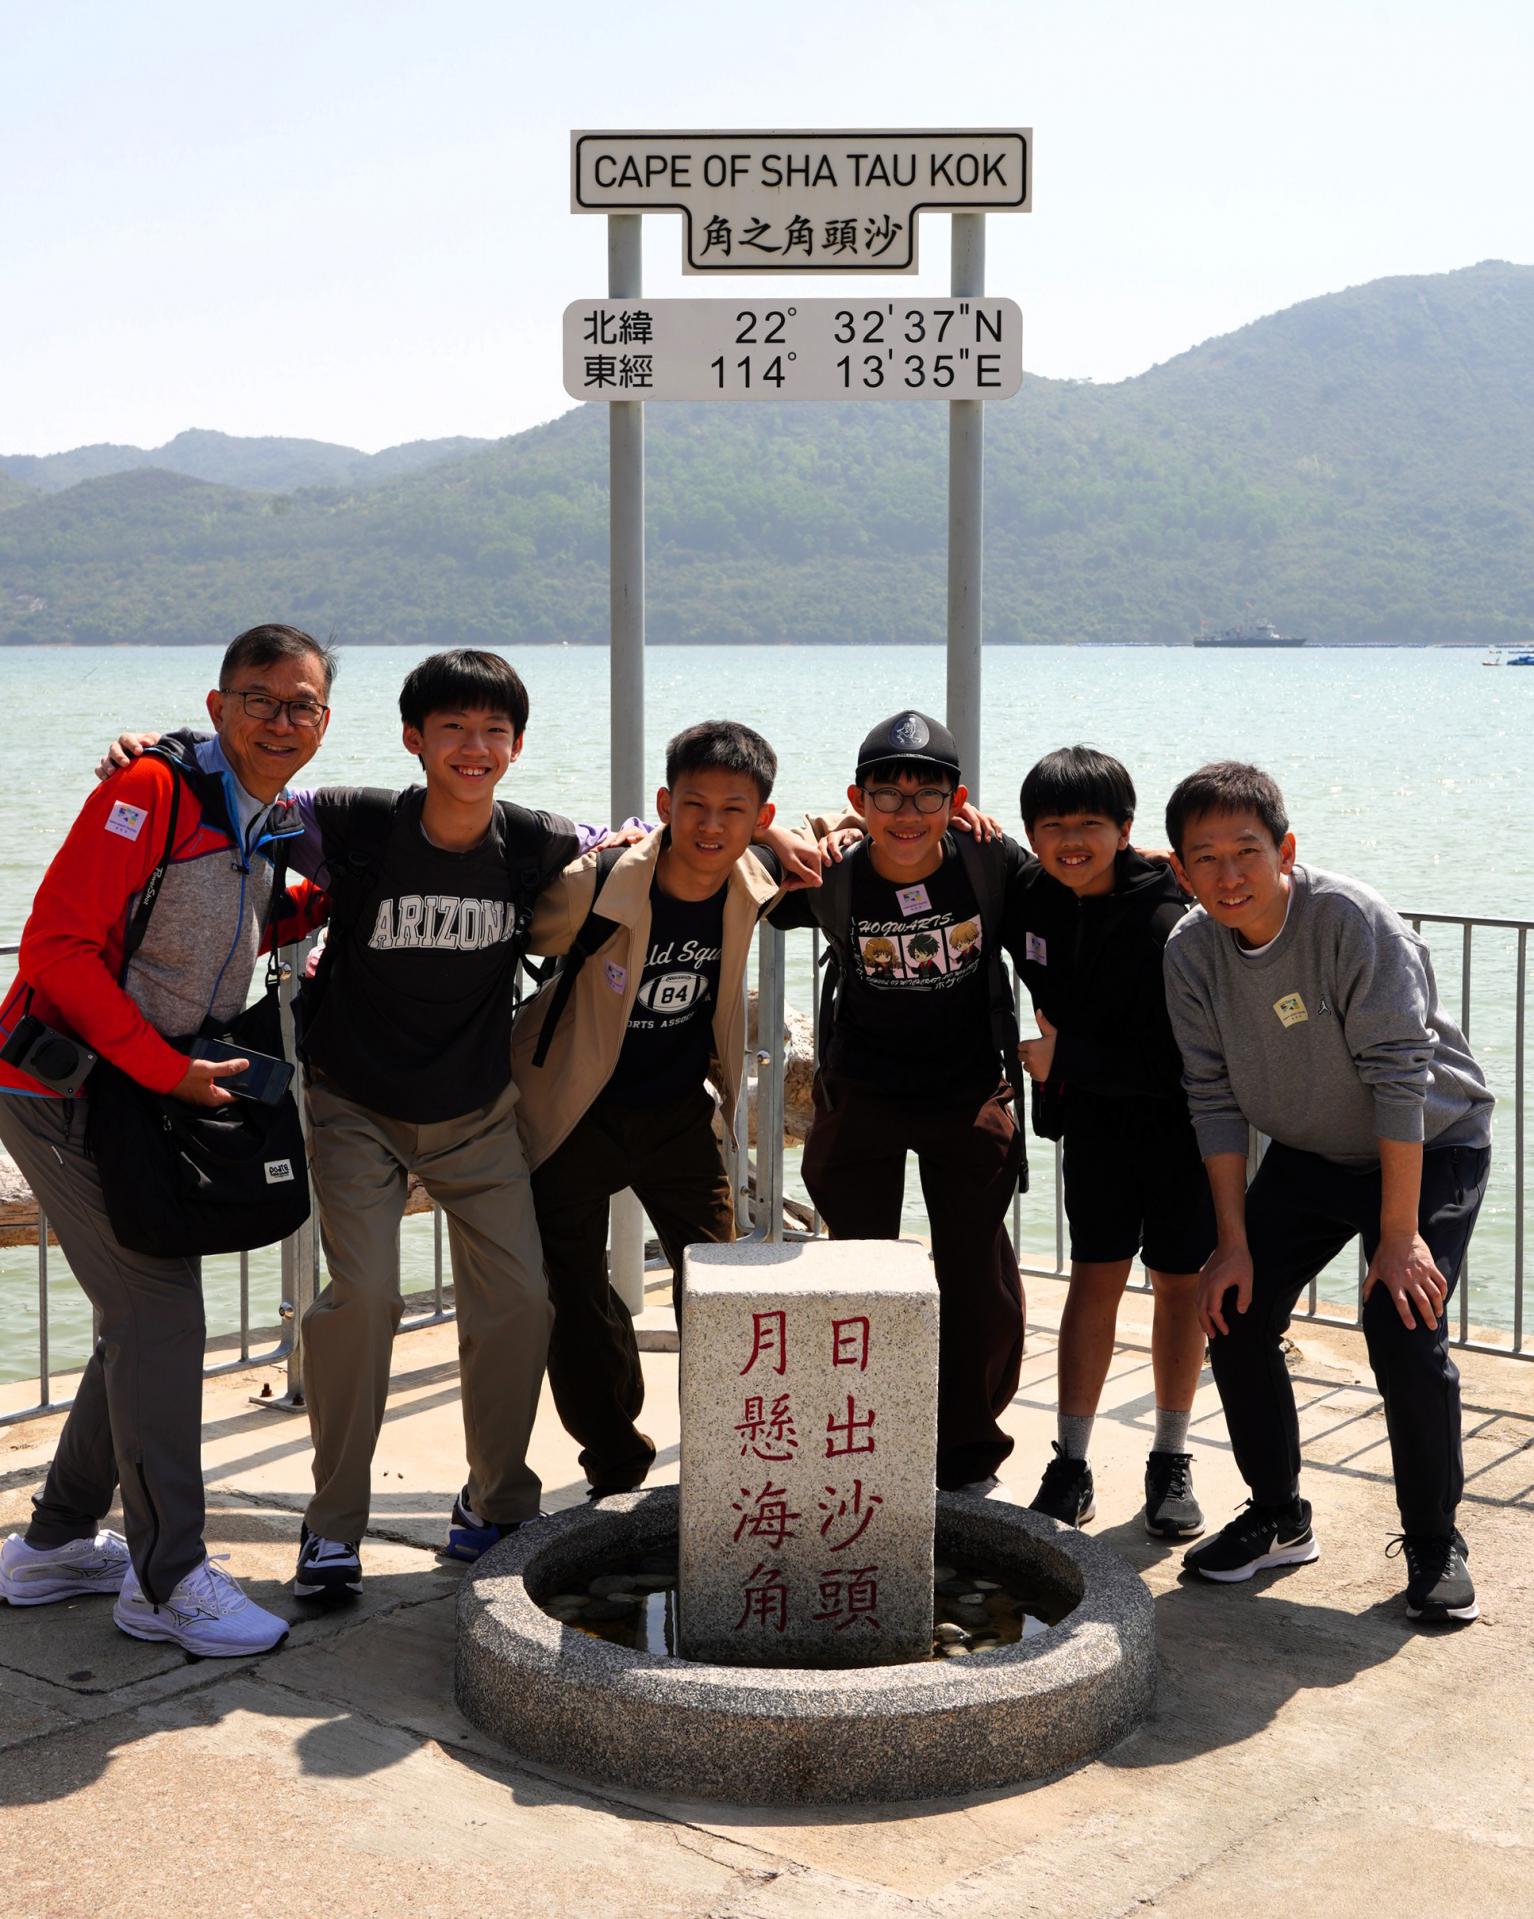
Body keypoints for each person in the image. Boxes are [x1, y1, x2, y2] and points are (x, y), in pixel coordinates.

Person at [0, 625, 333, 1655]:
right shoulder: (151, 789)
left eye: (303, 704)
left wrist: (316, 910)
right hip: (64, 1089)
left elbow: (225, 922)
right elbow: (56, 947)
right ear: (219, 704)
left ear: (325, 720)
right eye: (260, 698)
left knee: (141, 1317)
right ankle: (166, 1577)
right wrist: (161, 1067)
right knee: (160, 1312)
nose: (281, 720)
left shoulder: (268, 816)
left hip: (142, 1095)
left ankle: (55, 1543)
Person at [1162, 760, 1493, 1623]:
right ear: (1181, 870)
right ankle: (1278, 1514)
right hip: (1310, 1152)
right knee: (1233, 1307)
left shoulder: (1349, 920)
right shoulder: (1190, 952)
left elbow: (1400, 1080)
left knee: (1402, 1320)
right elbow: (1212, 1097)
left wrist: (1399, 1236)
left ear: (1285, 850)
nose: (1229, 874)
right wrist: (1231, 1243)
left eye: (1247, 850)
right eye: (1206, 857)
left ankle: (1434, 1539)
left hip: (1429, 1142)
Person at [510, 721, 791, 1497]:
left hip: (677, 1115)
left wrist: (806, 832)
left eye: (734, 810)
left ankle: (731, 1459)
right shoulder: (597, 882)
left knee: (721, 1289)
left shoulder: (754, 877)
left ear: (761, 818)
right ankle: (615, 1462)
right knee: (574, 1297)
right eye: (694, 804)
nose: (711, 824)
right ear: (665, 804)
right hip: (574, 1113)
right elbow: (512, 929)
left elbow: (850, 835)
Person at [770, 711, 1030, 1496]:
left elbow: (1077, 889)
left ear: (958, 801)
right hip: (864, 1091)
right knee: (859, 1275)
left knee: (976, 1277)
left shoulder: (987, 859)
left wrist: (1150, 863)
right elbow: (717, 859)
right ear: (859, 799)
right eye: (887, 794)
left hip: (967, 1090)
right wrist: (781, 833)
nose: (906, 813)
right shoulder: (833, 873)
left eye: (928, 795)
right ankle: (865, 1433)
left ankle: (968, 1448)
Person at [1009, 747, 1214, 1537]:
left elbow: (1181, 1060)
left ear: (1124, 829)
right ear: (1031, 834)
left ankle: (1170, 1456)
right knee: (1093, 1277)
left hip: (1180, 1127)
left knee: (1179, 1284)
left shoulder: (1169, 918)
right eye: (1053, 825)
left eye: (1090, 824)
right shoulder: (1031, 894)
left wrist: (1066, 1058)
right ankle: (1072, 1461)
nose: (1071, 841)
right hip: (1094, 1125)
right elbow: (960, 846)